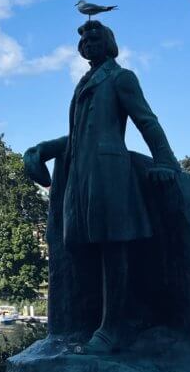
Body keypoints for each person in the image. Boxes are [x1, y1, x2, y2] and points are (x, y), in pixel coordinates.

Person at [23, 20, 178, 354]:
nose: (88, 42)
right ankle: (92, 322)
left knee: (113, 248)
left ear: (108, 43)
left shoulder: (121, 78)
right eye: (83, 39)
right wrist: (46, 148)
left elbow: (146, 120)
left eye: (94, 36)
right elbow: (80, 135)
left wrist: (166, 161)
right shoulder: (85, 82)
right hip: (81, 176)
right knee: (84, 249)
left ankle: (114, 329)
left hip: (109, 173)